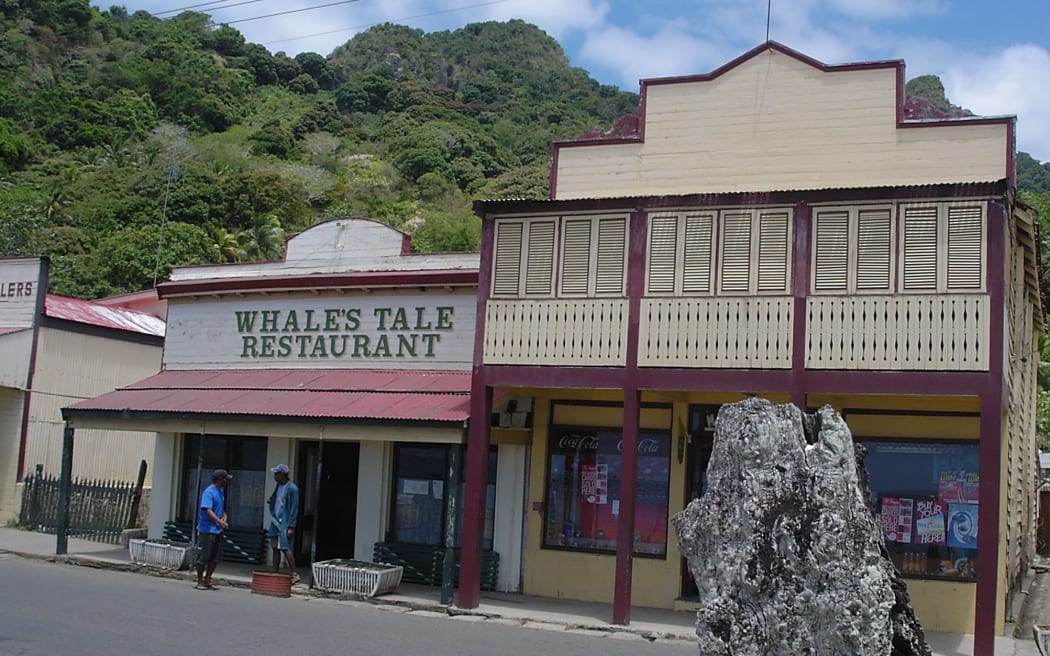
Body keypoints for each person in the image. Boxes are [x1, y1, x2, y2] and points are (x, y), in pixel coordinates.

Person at [195, 468, 231, 590]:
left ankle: (208, 579)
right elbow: (207, 509)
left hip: (218, 530)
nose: (226, 481)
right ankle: (200, 581)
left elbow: (221, 508)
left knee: (215, 557)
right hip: (207, 529)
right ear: (220, 479)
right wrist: (219, 521)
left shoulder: (221, 492)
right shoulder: (209, 492)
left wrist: (224, 517)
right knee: (203, 556)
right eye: (225, 479)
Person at [267, 464, 300, 583]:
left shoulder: (292, 489)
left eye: (276, 474)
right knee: (275, 547)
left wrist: (291, 526)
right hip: (275, 520)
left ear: (282, 474)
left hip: (284, 522)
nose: (275, 476)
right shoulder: (278, 486)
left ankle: (294, 573)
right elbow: (276, 498)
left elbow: (294, 508)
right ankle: (275, 572)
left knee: (284, 547)